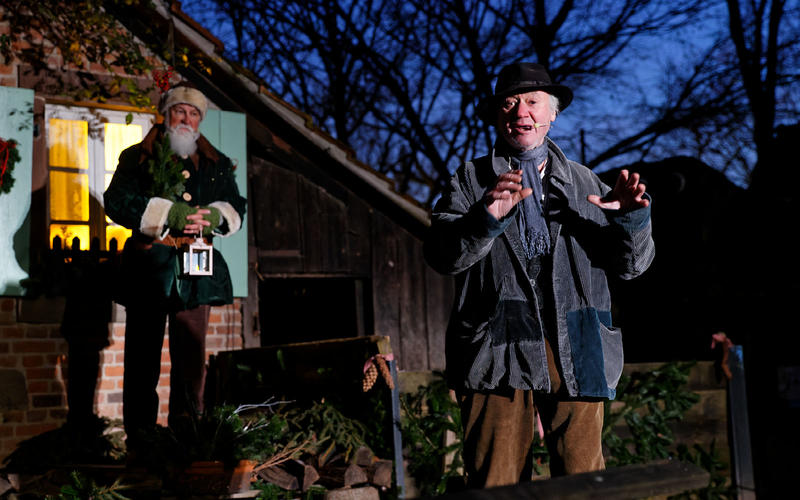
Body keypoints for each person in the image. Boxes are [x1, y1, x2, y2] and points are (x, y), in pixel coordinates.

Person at [424, 62, 654, 488]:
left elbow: (632, 266)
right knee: (497, 483)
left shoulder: (585, 182)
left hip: (579, 341)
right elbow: (443, 257)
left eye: (532, 102)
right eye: (509, 104)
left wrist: (633, 223)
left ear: (553, 114)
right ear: (498, 116)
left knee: (584, 482)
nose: (520, 112)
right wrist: (484, 220)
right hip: (498, 343)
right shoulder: (471, 182)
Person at [104, 83, 246, 451]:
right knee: (142, 360)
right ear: (166, 116)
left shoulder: (217, 163)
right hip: (150, 267)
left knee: (191, 360)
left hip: (195, 270)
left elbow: (236, 206)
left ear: (200, 121)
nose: (186, 119)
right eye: (180, 111)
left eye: (194, 113)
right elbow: (115, 201)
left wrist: (217, 215)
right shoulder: (137, 157)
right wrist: (167, 213)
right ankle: (143, 440)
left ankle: (188, 440)